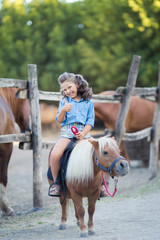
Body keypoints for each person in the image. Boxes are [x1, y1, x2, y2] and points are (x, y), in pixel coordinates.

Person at [48, 72, 94, 197]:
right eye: (65, 89)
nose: (68, 91)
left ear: (77, 84)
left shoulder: (88, 102)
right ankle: (56, 183)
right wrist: (63, 110)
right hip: (67, 133)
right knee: (55, 154)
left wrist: (83, 134)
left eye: (70, 87)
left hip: (84, 133)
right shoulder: (64, 101)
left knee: (98, 151)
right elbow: (59, 120)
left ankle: (100, 184)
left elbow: (90, 121)